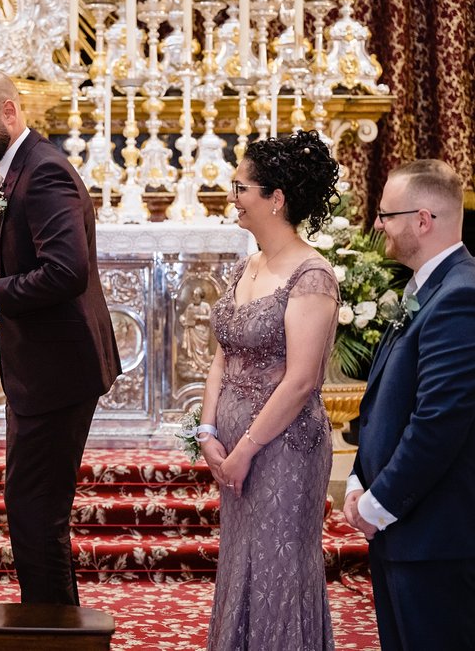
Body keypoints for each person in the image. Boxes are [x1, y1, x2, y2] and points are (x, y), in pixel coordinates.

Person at [0, 69, 121, 605]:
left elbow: (67, 271)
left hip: (58, 370)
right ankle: (52, 630)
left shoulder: (43, 171)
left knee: (35, 515)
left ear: (8, 112)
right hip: (43, 370)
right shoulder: (16, 167)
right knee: (32, 511)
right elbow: (16, 254)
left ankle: (54, 633)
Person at [197, 130, 340, 650]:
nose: (232, 198)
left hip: (284, 450)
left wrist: (245, 451)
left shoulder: (312, 275)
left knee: (278, 566)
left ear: (275, 199)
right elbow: (223, 352)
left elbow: (301, 380)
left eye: (240, 188)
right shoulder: (247, 265)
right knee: (242, 562)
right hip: (233, 448)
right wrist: (208, 430)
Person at [344, 160, 475, 650]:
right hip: (406, 533)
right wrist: (359, 477)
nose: (378, 225)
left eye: (386, 214)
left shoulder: (460, 296)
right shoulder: (425, 288)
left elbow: (438, 423)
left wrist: (378, 504)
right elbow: (384, 405)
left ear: (422, 220)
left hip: (435, 537)